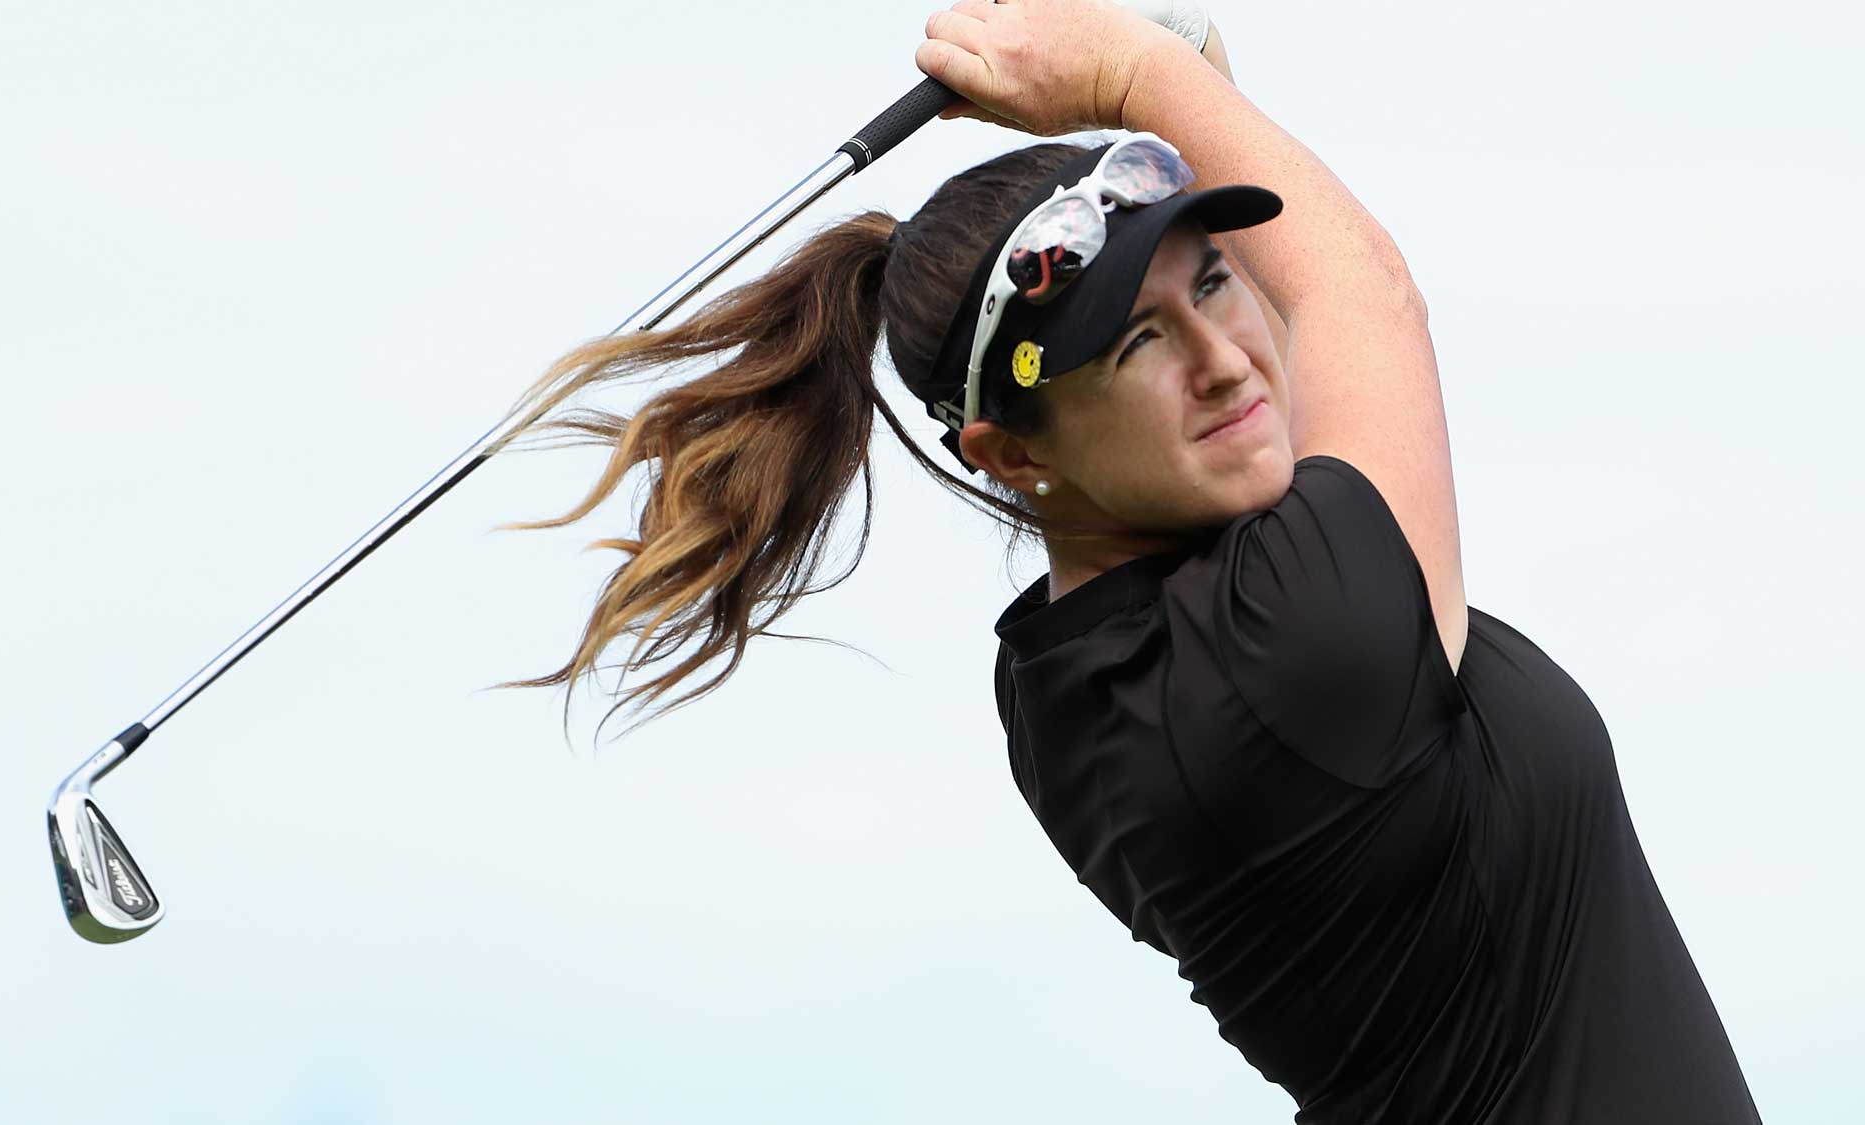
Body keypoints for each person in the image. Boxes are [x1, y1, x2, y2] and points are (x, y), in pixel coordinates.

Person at [496, 2, 1764, 1120]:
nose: (1221, 358)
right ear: (1006, 454)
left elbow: (1279, 329)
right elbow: (1357, 298)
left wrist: (1179, 70)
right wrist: (1127, 73)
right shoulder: (1288, 659)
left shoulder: (1083, 668)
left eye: (1208, 282)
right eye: (1132, 346)